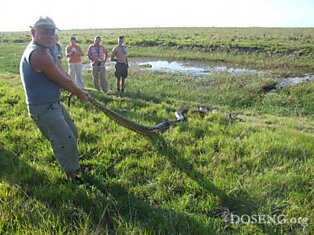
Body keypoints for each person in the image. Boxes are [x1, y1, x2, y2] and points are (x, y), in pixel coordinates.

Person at [19, 16, 89, 184]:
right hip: (42, 108)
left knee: (72, 133)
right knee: (64, 140)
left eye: (53, 32)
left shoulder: (49, 49)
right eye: (45, 32)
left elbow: (63, 73)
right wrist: (79, 93)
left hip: (54, 104)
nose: (50, 36)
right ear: (33, 32)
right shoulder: (38, 54)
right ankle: (72, 177)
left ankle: (72, 165)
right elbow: (62, 80)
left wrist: (79, 89)